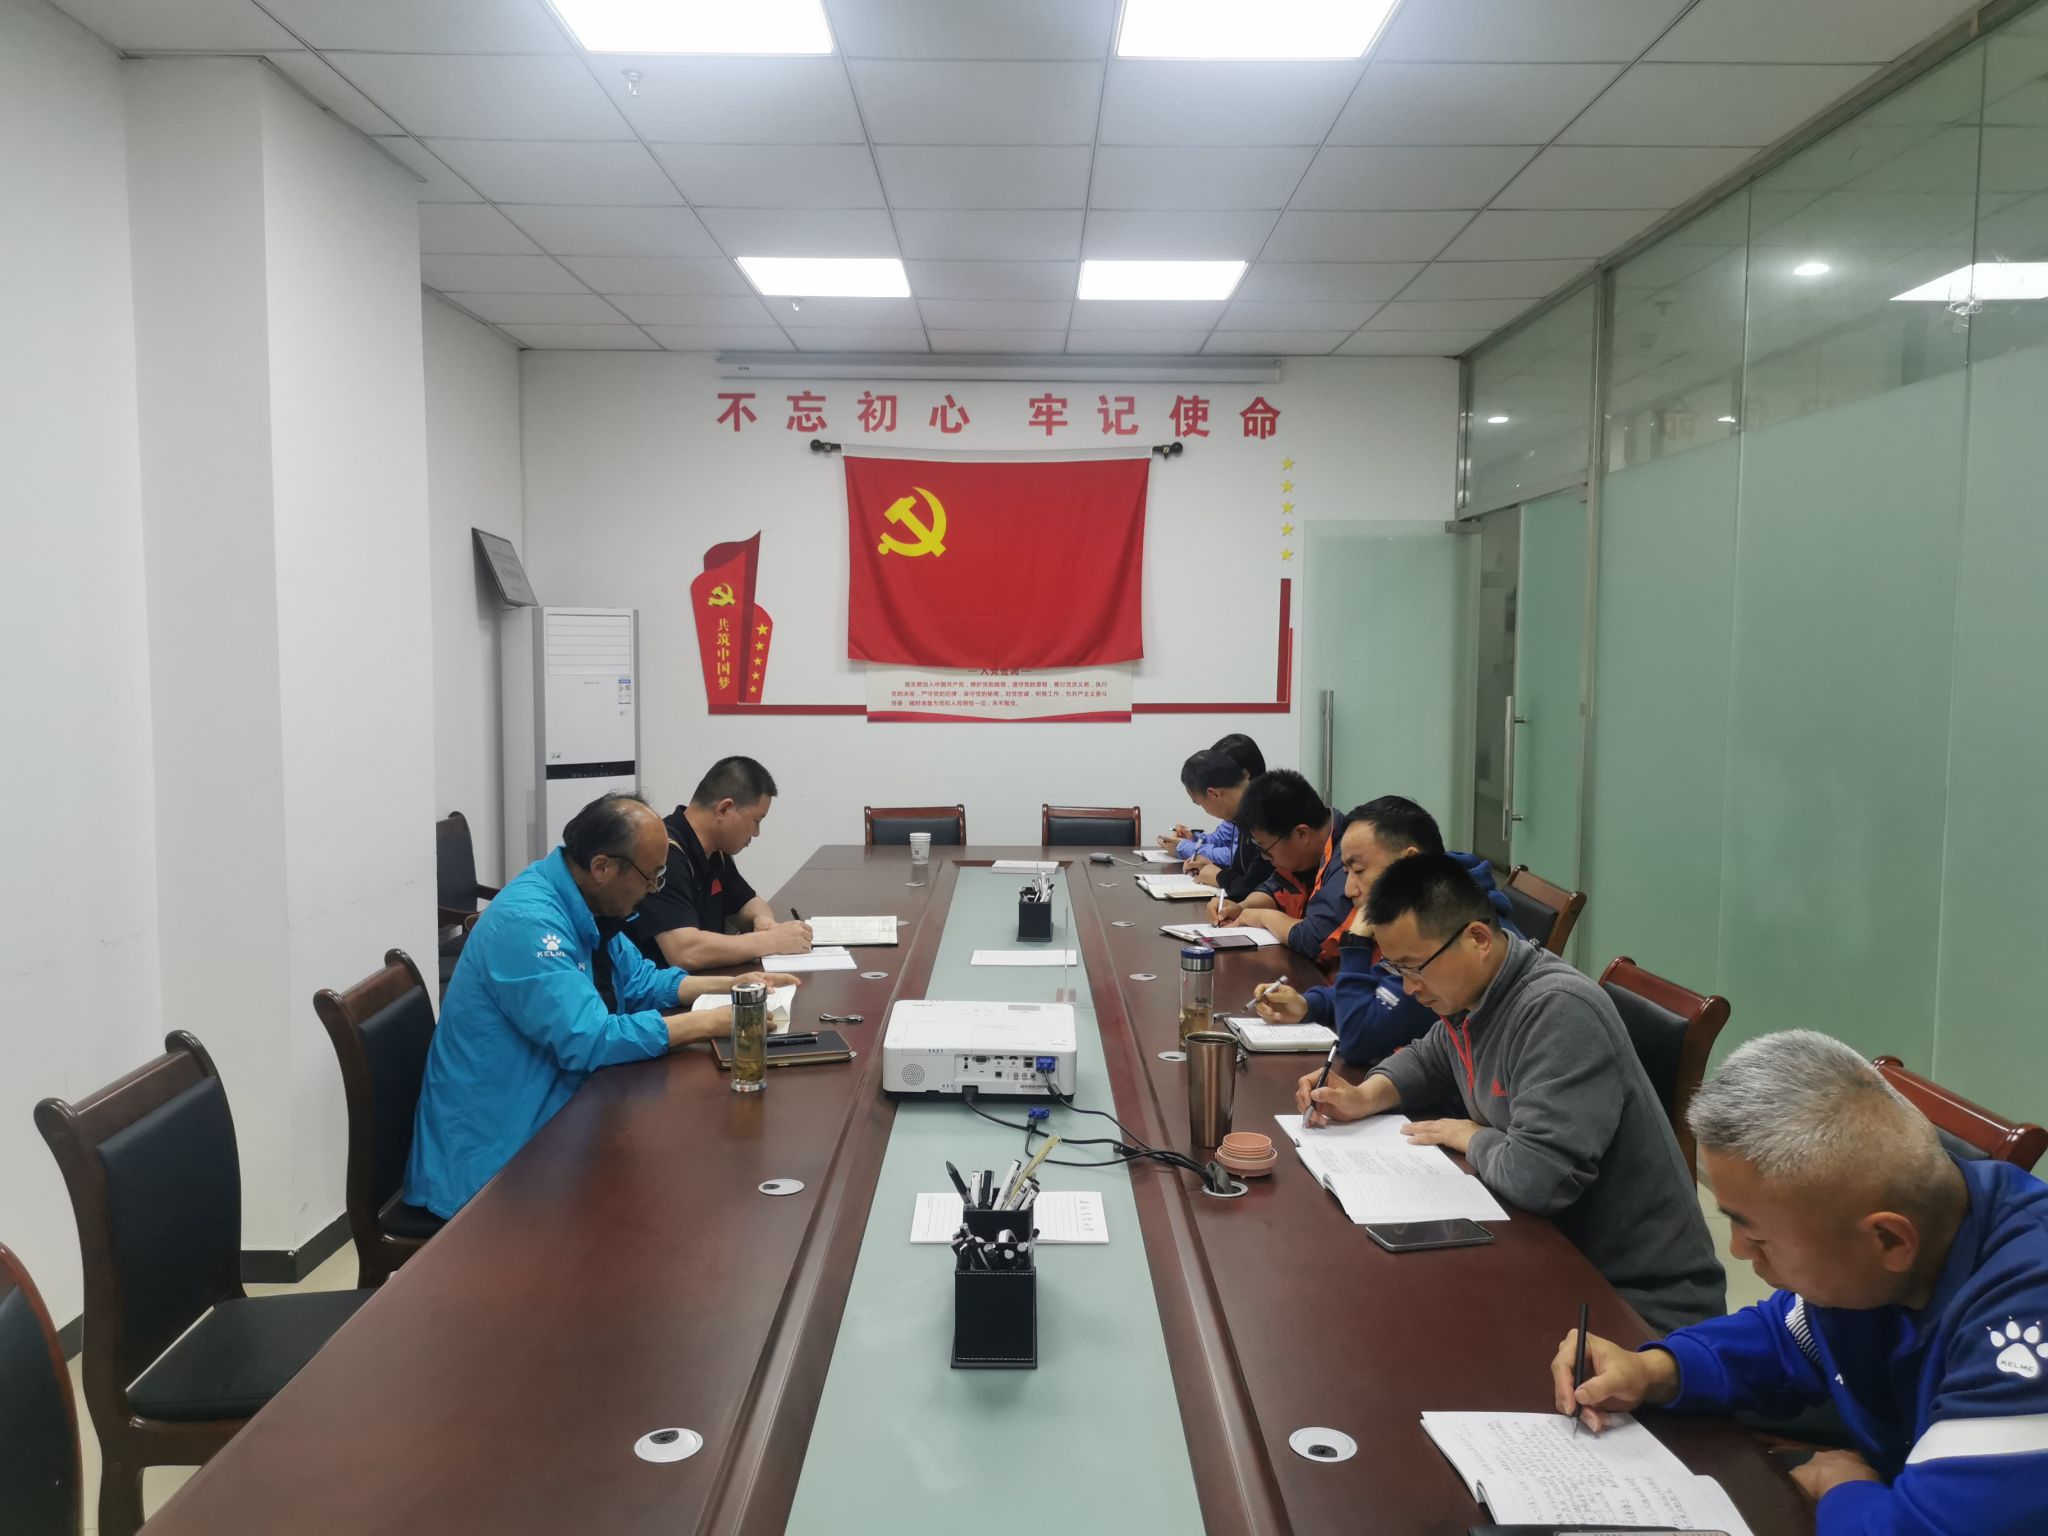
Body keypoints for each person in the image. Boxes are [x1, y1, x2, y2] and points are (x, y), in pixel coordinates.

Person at [1552, 1031, 2048, 1532]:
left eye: (1757, 1236)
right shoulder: (1869, 1260)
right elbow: (1787, 1336)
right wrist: (1653, 1371)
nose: (1737, 1249)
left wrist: (1839, 1484)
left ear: (1889, 1240)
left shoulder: (2028, 1311)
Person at [1304, 853, 1723, 1332]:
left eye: (1415, 967)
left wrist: (1471, 1136)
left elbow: (1537, 1179)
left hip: (1636, 1303)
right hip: (1548, 1253)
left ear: (1478, 939)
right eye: (1397, 968)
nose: (1409, 987)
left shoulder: (1557, 1010)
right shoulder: (1473, 994)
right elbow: (1431, 1058)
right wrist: (1365, 1096)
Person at [406, 792, 797, 1218]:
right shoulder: (530, 923)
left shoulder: (587, 902)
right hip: (493, 1165)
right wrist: (711, 1022)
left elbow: (641, 980)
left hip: (560, 1122)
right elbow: (590, 1039)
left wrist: (732, 986)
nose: (652, 891)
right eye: (651, 877)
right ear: (603, 867)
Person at [1252, 796, 1515, 1082]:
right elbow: (1380, 987)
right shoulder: (1417, 917)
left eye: (1359, 871)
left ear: (1409, 862)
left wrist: (1356, 942)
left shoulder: (1446, 940)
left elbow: (1357, 1039)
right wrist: (1309, 1005)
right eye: (1346, 873)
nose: (1349, 890)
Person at [631, 756, 812, 969]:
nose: (756, 833)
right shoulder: (663, 854)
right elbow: (684, 952)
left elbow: (748, 902)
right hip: (661, 988)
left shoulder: (716, 852)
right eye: (756, 821)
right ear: (724, 809)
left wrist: (764, 922)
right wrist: (772, 941)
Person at [1211, 769, 1350, 962]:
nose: (1267, 858)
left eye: (1267, 850)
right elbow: (1277, 886)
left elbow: (1313, 939)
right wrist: (1242, 907)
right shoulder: (1306, 854)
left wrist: (1262, 917)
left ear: (1301, 834)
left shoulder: (1349, 860)